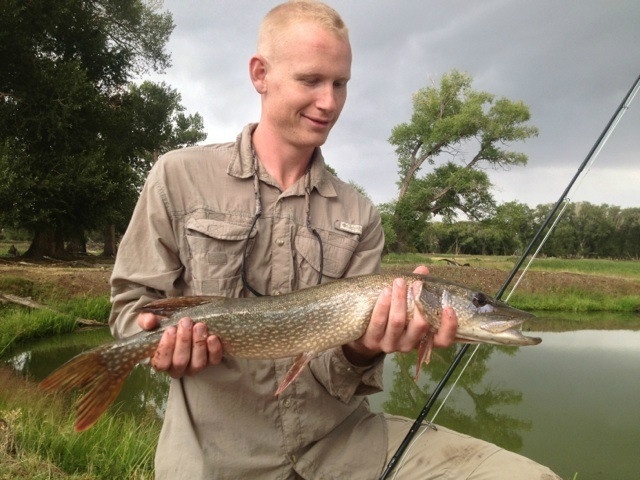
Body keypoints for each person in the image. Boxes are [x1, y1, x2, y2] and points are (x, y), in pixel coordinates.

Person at [109, 1, 561, 478]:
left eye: (340, 83)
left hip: (343, 446)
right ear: (260, 74)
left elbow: (337, 374)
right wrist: (157, 346)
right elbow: (129, 312)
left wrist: (364, 349)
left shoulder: (359, 214)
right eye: (311, 80)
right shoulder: (178, 177)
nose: (329, 101)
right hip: (216, 458)